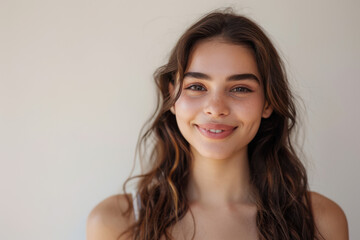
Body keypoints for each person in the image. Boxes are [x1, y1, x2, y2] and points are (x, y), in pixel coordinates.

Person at [86, 10, 348, 240]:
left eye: (240, 89)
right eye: (197, 86)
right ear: (171, 97)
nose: (216, 107)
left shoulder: (320, 221)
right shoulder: (116, 222)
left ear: (268, 102)